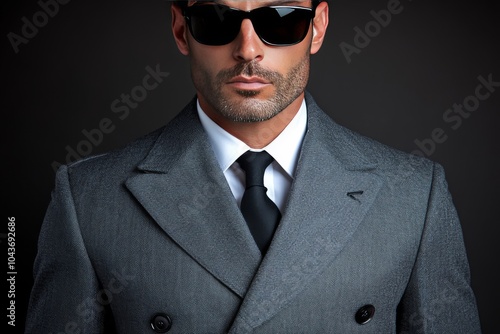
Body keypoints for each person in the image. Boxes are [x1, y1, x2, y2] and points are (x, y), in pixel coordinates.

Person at [26, 0, 481, 333]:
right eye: (216, 21)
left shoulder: (414, 196)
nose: (248, 49)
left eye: (280, 20)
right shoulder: (87, 198)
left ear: (318, 27)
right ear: (181, 29)